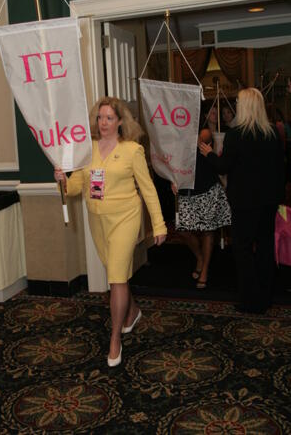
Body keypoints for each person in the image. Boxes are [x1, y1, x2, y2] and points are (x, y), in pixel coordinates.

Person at [54, 97, 167, 367]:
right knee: (118, 276)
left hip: (125, 218)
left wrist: (159, 224)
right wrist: (63, 181)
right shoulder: (87, 149)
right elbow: (77, 186)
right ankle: (133, 311)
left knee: (115, 278)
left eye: (109, 118)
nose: (103, 123)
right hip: (98, 220)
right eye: (100, 118)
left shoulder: (132, 150)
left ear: (120, 122)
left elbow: (148, 189)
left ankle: (115, 337)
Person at [199, 88, 285, 314]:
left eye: (238, 102)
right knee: (265, 247)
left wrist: (208, 153)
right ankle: (265, 298)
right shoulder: (273, 133)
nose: (236, 105)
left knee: (243, 249)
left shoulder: (236, 135)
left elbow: (223, 166)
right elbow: (281, 169)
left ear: (244, 106)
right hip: (268, 201)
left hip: (244, 202)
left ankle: (250, 300)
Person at [171, 128, 231, 289]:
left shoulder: (203, 131)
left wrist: (196, 141)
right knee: (182, 230)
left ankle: (204, 270)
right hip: (187, 190)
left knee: (208, 231)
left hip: (207, 188)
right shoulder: (177, 133)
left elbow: (205, 141)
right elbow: (171, 160)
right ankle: (200, 257)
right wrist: (173, 178)